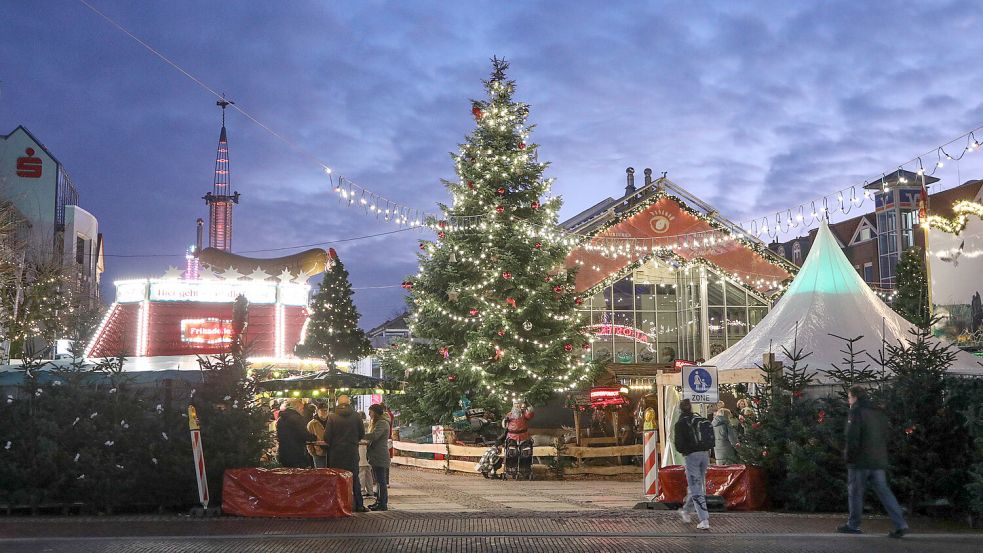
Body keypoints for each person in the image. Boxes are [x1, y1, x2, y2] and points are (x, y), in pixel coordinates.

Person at [837, 386, 909, 538]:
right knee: (884, 491)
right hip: (878, 459)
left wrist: (849, 458)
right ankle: (900, 524)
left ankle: (853, 525)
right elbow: (886, 435)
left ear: (855, 397)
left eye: (849, 397)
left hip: (860, 460)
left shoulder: (856, 411)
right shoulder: (878, 411)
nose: (848, 401)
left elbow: (852, 437)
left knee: (855, 492)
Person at [324, 395, 368, 512]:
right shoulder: (356, 416)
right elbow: (362, 434)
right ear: (349, 402)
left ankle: (337, 505)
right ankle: (358, 504)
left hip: (336, 453)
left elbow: (327, 437)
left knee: (336, 478)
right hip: (352, 452)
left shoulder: (332, 417)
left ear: (338, 403)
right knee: (354, 478)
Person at [672, 399, 710, 530]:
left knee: (695, 487)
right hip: (705, 454)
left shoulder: (680, 423)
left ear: (680, 409)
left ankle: (704, 519)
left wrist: (684, 451)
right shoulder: (699, 419)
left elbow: (678, 444)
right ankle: (686, 510)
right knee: (698, 485)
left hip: (691, 456)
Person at [365, 403, 392, 511]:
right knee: (379, 480)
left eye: (370, 412)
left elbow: (374, 436)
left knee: (381, 481)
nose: (369, 414)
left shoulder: (382, 423)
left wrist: (360, 434)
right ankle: (379, 501)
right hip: (376, 455)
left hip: (380, 455)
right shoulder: (379, 422)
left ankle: (382, 503)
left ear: (375, 413)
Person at [276, 398, 315, 468]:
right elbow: (303, 435)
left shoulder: (280, 419)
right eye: (302, 408)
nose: (303, 411)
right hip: (296, 454)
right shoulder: (297, 419)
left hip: (283, 453)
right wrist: (314, 437)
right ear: (299, 408)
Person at [307, 403, 329, 468]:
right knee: (320, 475)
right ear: (317, 411)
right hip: (318, 454)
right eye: (322, 410)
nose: (324, 412)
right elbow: (308, 440)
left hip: (331, 453)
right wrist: (313, 453)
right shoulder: (312, 424)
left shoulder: (332, 421)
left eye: (325, 410)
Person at [358, 411, 375, 497]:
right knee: (368, 471)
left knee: (361, 471)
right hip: (368, 450)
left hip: (361, 450)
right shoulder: (369, 424)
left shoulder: (358, 426)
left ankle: (362, 490)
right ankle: (370, 490)